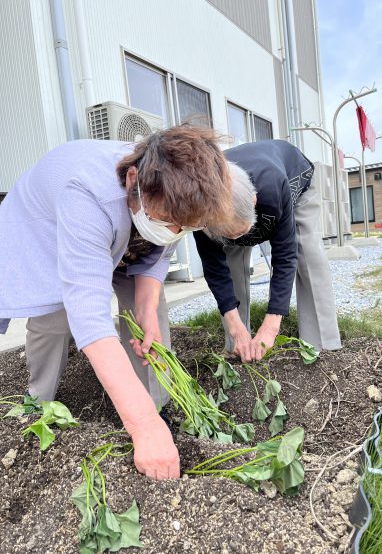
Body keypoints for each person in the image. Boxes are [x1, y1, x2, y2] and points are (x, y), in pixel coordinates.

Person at [0, 125, 232, 480]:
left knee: (152, 318)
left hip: (129, 233)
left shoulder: (176, 186)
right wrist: (142, 428)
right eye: (166, 221)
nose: (174, 232)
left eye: (183, 227)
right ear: (133, 179)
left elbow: (160, 251)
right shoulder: (87, 195)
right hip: (48, 229)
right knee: (57, 317)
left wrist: (145, 309)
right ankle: (37, 404)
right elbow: (90, 319)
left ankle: (156, 405)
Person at [193, 139, 341, 362]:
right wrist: (234, 324)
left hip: (292, 178)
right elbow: (215, 269)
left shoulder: (272, 186)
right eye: (229, 235)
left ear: (254, 202)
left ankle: (322, 344)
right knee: (230, 262)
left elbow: (285, 255)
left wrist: (271, 327)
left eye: (241, 232)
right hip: (226, 198)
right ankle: (239, 344)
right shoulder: (198, 210)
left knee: (307, 251)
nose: (239, 239)